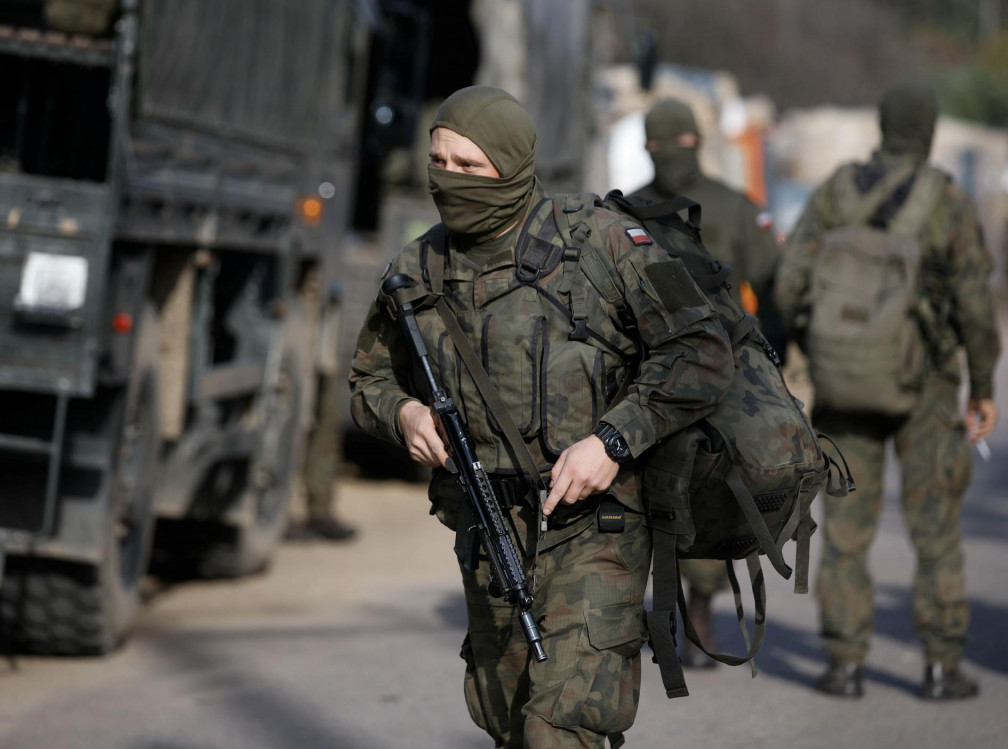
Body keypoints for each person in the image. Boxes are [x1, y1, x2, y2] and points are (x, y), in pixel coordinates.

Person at [350, 85, 733, 747]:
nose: (449, 179)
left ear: (511, 164)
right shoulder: (417, 269)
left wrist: (613, 440)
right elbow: (368, 380)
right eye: (439, 162)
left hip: (597, 528)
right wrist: (404, 413)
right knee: (508, 725)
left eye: (469, 166)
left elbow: (701, 351)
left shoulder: (603, 242)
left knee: (559, 727)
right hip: (488, 534)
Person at [774, 82, 1001, 700]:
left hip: (845, 385)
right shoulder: (946, 201)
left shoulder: (836, 191)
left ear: (882, 126)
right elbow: (976, 306)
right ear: (927, 132)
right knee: (935, 529)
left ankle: (844, 665)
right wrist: (982, 386)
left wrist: (819, 346)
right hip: (927, 388)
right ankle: (941, 666)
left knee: (845, 531)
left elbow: (789, 281)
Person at [629, 97, 783, 668]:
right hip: (720, 376)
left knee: (652, 489)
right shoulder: (737, 207)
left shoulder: (623, 212)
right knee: (710, 490)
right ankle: (697, 613)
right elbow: (773, 285)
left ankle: (660, 614)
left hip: (645, 376)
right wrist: (774, 363)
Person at [287, 282, 358, 542]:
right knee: (295, 419)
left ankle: (320, 510)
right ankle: (282, 510)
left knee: (327, 423)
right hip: (299, 311)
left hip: (326, 318)